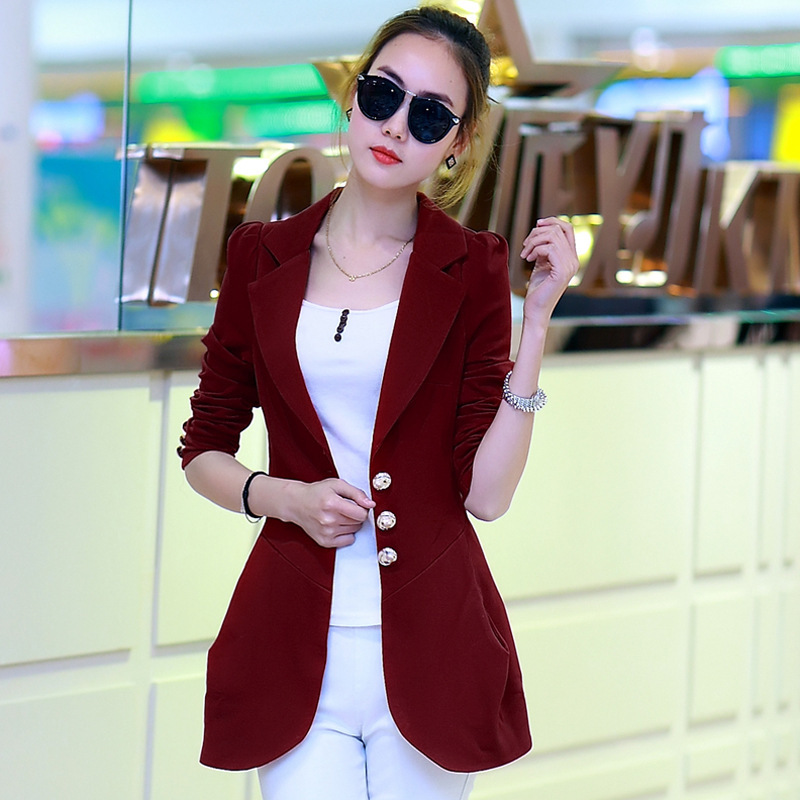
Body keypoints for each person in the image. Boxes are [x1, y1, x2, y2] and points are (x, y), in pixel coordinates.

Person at [178, 6, 579, 799]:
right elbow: (203, 451)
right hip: (292, 646)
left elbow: (487, 495)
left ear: (458, 141)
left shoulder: (471, 268)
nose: (396, 125)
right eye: (383, 93)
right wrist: (286, 498)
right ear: (352, 95)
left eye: (429, 114)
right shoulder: (260, 257)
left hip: (432, 649)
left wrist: (533, 324)